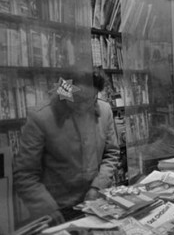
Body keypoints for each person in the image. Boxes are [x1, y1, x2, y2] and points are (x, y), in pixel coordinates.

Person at [14, 68, 120, 226]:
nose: (83, 106)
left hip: (96, 202)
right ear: (66, 90)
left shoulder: (104, 111)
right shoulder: (41, 117)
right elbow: (25, 174)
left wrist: (98, 186)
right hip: (57, 209)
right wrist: (46, 208)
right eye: (77, 98)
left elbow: (111, 153)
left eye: (89, 99)